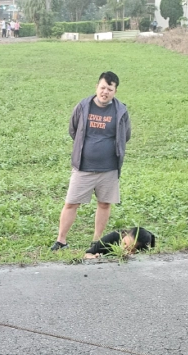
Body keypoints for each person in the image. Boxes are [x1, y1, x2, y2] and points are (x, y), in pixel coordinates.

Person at [51, 72, 131, 251]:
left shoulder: (121, 111)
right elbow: (73, 130)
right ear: (97, 87)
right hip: (83, 167)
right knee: (71, 203)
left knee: (104, 203)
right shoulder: (83, 106)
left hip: (109, 169)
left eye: (109, 89)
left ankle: (97, 241)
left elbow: (125, 136)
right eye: (102, 88)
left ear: (115, 91)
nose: (105, 92)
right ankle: (61, 240)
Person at [84, 227, 156, 258]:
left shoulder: (142, 252)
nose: (124, 248)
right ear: (124, 234)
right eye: (124, 243)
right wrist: (92, 257)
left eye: (130, 250)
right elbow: (87, 253)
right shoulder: (112, 238)